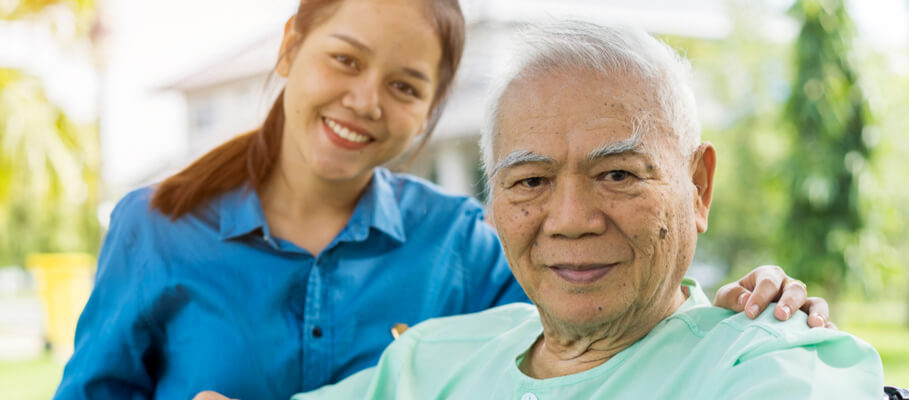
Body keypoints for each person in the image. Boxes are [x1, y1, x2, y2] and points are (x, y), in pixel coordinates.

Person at [55, 1, 831, 399]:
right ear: (290, 46)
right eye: (344, 60)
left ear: (430, 112)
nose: (364, 100)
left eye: (404, 86)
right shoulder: (155, 226)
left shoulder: (466, 239)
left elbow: (600, 323)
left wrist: (756, 301)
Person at [286, 21, 884, 400]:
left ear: (698, 188)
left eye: (617, 174)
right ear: (493, 201)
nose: (570, 218)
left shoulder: (771, 363)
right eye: (530, 180)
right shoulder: (427, 361)